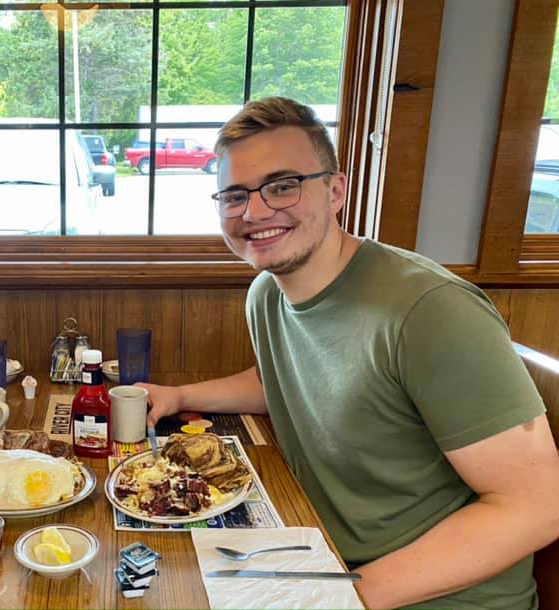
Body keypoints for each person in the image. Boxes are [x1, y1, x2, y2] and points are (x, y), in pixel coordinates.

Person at [140, 97, 559, 609]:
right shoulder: (267, 295)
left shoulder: (431, 310)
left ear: (335, 190)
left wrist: (335, 597)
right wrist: (179, 394)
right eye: (234, 195)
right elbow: (284, 379)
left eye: (283, 185)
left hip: (433, 597)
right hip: (328, 559)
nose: (255, 211)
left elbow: (537, 507)